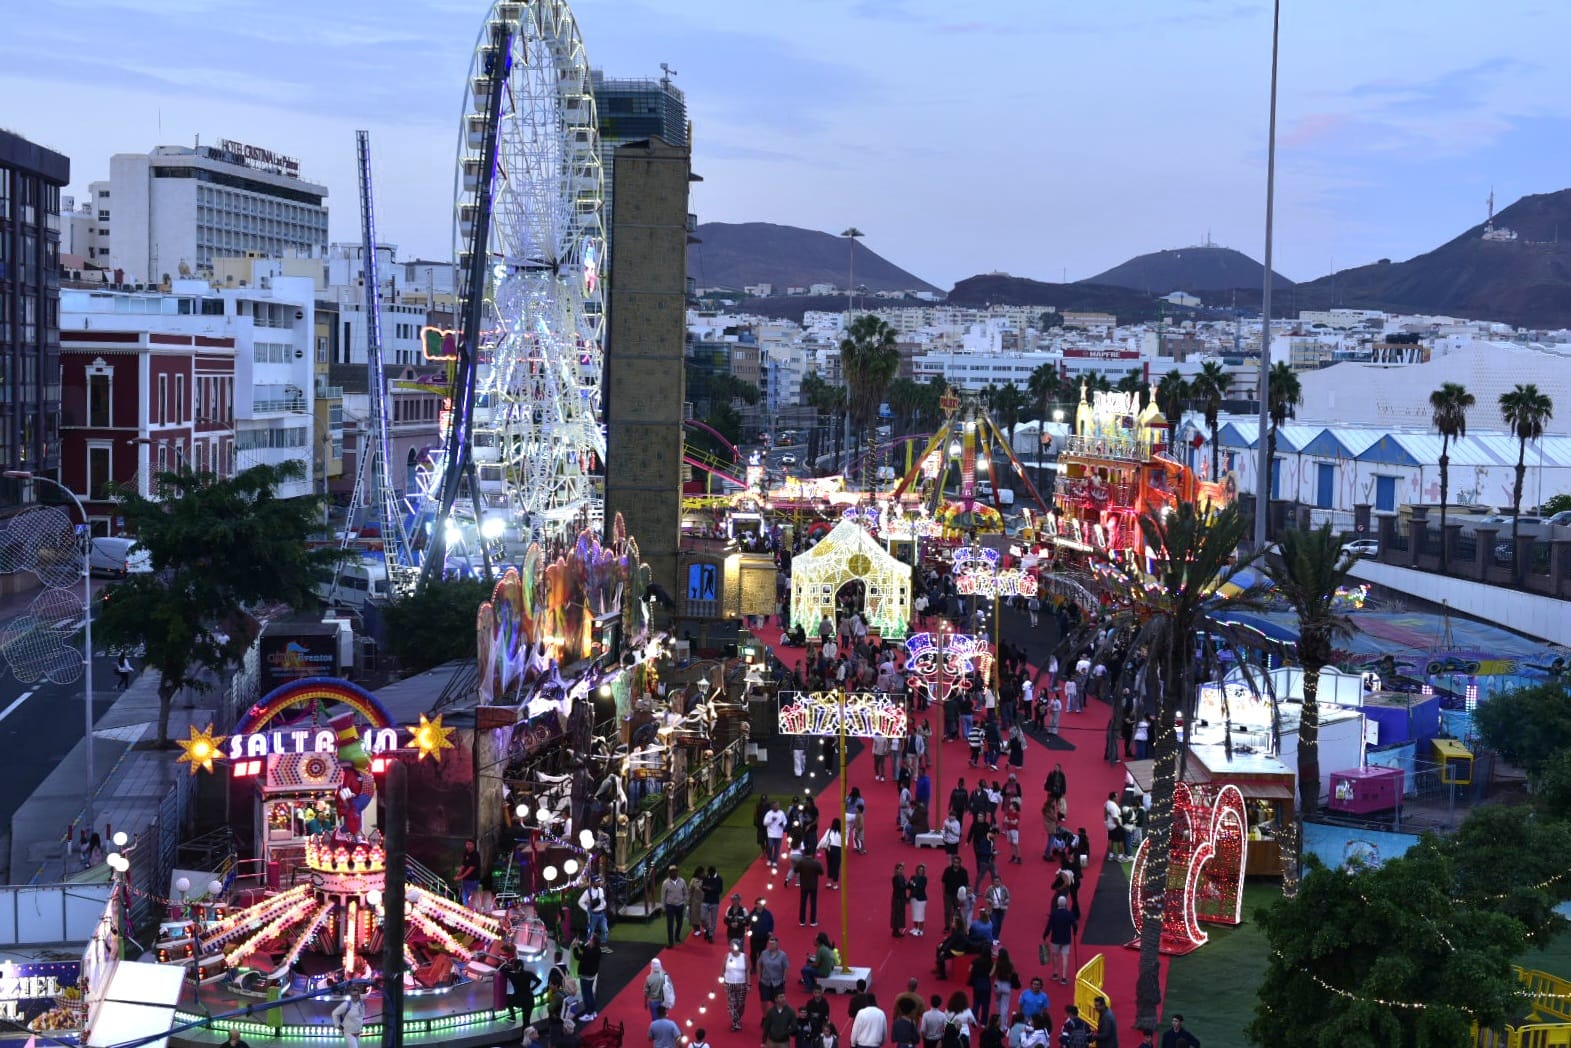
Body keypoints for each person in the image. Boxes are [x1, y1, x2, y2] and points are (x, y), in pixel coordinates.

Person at [502, 948, 543, 1024]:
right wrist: (532, 988)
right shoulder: (528, 974)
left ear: (514, 967)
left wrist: (509, 967)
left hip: (518, 999)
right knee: (526, 1022)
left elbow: (503, 970)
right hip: (529, 1000)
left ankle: (513, 1017)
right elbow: (539, 981)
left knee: (506, 998)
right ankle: (527, 1034)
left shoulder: (513, 976)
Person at [1043, 898, 1076, 986]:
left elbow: (1049, 926)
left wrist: (1045, 935)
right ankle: (1064, 977)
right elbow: (1074, 924)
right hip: (1066, 938)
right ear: (1065, 904)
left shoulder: (1054, 914)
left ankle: (1055, 973)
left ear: (1058, 904)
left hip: (1055, 938)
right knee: (1065, 956)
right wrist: (1075, 932)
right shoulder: (1069, 914)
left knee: (1055, 955)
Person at [574, 933, 603, 1020]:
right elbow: (585, 948)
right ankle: (593, 1011)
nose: (589, 940)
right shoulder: (597, 950)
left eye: (590, 939)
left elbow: (578, 957)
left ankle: (588, 1013)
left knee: (586, 995)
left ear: (593, 942)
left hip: (586, 976)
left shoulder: (589, 953)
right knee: (590, 993)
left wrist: (575, 947)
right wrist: (579, 943)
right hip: (592, 976)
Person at [724, 940, 751, 1031]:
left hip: (741, 985)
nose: (732, 948)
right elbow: (723, 969)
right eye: (730, 946)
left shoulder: (744, 957)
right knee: (731, 1004)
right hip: (729, 983)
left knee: (740, 1004)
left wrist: (749, 984)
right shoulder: (727, 956)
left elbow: (747, 970)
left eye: (734, 946)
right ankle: (735, 1023)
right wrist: (723, 981)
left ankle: (738, 1018)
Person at [757, 934, 790, 1005]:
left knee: (778, 1001)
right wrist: (759, 978)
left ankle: (778, 1014)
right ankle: (766, 1016)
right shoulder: (764, 953)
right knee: (764, 1001)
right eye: (769, 944)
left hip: (777, 982)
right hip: (765, 981)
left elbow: (786, 967)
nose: (771, 945)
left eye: (773, 944)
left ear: (777, 944)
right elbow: (759, 964)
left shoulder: (782, 955)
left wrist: (784, 979)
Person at [662, 866, 688, 947]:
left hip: (680, 905)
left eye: (675, 871)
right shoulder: (665, 883)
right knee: (670, 924)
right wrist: (663, 907)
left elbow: (686, 893)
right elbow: (663, 896)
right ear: (669, 873)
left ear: (677, 872)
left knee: (679, 922)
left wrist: (684, 902)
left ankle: (677, 936)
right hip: (670, 906)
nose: (674, 873)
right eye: (672, 871)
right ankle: (670, 942)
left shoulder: (682, 881)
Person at [750, 898, 777, 973]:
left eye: (761, 903)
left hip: (764, 936)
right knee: (753, 952)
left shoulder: (768, 913)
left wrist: (770, 931)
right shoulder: (752, 913)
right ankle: (754, 966)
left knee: (762, 952)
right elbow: (748, 922)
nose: (760, 905)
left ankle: (761, 966)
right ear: (756, 904)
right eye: (758, 903)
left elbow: (771, 923)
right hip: (754, 936)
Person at [819, 819, 845, 888]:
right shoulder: (842, 832)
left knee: (829, 865)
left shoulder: (829, 830)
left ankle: (829, 882)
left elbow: (823, 839)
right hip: (837, 850)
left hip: (829, 849)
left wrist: (818, 847)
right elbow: (844, 843)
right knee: (836, 867)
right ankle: (835, 884)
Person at [702, 866, 725, 941]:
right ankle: (708, 929)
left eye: (711, 873)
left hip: (715, 902)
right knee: (703, 918)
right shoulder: (706, 878)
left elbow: (720, 890)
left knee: (713, 920)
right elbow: (703, 887)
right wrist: (709, 889)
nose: (709, 875)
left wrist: (711, 889)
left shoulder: (719, 879)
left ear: (714, 872)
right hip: (705, 901)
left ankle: (710, 935)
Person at [457, 839, 482, 907]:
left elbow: (471, 868)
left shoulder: (476, 855)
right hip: (465, 880)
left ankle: (472, 911)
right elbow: (463, 865)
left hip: (473, 880)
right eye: (467, 844)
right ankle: (466, 910)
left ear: (473, 845)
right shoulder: (466, 853)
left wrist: (461, 876)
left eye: (470, 844)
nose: (468, 846)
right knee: (465, 897)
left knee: (471, 897)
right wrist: (458, 874)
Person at [764, 802, 789, 867]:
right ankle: (769, 859)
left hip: (779, 834)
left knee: (777, 848)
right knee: (770, 846)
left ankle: (775, 861)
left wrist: (783, 824)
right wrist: (771, 820)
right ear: (772, 806)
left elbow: (785, 821)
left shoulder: (781, 813)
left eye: (778, 805)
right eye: (776, 806)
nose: (777, 807)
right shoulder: (769, 814)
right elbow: (765, 823)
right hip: (771, 834)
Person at [909, 862, 930, 937]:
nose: (920, 871)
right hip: (913, 898)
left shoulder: (924, 878)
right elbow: (909, 886)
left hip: (921, 899)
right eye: (919, 870)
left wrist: (913, 884)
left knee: (920, 914)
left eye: (922, 870)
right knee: (914, 914)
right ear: (917, 870)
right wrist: (909, 883)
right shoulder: (913, 877)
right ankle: (915, 928)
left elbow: (920, 887)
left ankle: (920, 930)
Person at [891, 862, 909, 937]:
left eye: (902, 869)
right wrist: (908, 884)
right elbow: (901, 887)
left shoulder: (902, 877)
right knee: (896, 914)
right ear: (896, 870)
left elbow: (904, 886)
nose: (901, 871)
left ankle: (897, 930)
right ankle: (895, 931)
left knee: (900, 913)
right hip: (897, 898)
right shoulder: (895, 878)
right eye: (900, 869)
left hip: (901, 898)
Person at [688, 866, 706, 937]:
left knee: (704, 916)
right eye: (702, 873)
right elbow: (690, 892)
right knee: (695, 917)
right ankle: (697, 930)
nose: (703, 874)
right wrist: (689, 902)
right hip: (695, 902)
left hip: (704, 902)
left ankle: (705, 928)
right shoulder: (693, 880)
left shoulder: (706, 880)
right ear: (698, 873)